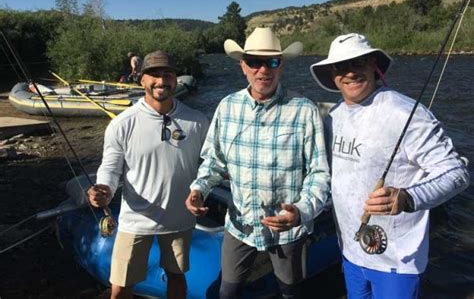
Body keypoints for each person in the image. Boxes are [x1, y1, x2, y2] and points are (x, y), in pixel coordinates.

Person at [310, 33, 470, 299]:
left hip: (397, 261)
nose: (350, 72)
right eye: (340, 66)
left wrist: (408, 197)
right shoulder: (333, 116)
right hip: (350, 252)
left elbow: (456, 172)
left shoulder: (405, 113)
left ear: (373, 63)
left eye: (358, 62)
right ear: (331, 74)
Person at [185, 27, 331, 299]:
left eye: (272, 61)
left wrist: (300, 211)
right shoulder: (227, 107)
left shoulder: (304, 110)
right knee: (228, 291)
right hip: (240, 223)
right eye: (254, 62)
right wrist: (198, 190)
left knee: (291, 291)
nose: (263, 70)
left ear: (281, 65)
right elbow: (213, 162)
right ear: (243, 66)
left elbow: (319, 174)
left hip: (287, 229)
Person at [88, 50, 209, 299]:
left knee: (177, 276)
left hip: (179, 218)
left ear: (176, 79)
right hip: (136, 219)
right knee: (121, 285)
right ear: (141, 79)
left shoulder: (196, 121)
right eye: (153, 74)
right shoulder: (122, 123)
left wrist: (203, 191)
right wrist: (104, 189)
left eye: (168, 74)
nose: (161, 81)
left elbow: (211, 164)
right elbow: (110, 167)